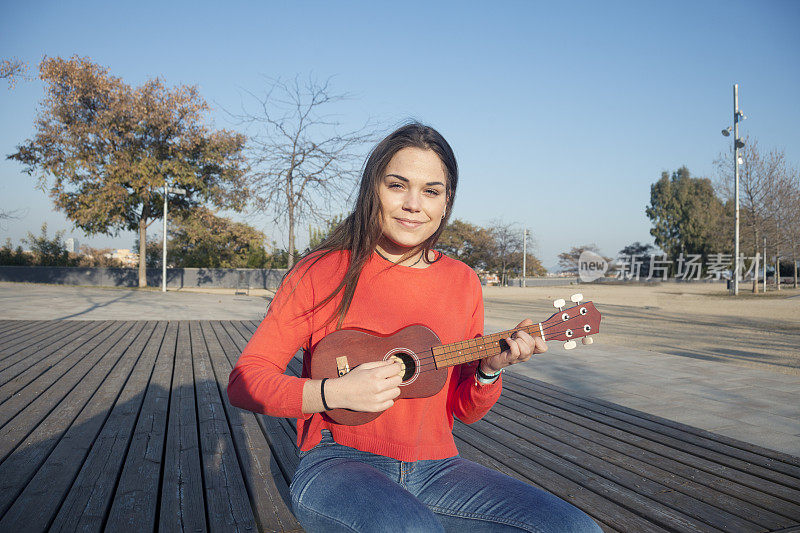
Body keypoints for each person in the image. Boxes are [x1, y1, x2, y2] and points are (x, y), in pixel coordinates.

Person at [228, 122, 602, 532]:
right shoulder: (321, 271)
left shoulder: (462, 282)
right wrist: (332, 392)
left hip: (439, 466)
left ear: (447, 202)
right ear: (374, 188)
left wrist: (488, 369)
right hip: (338, 462)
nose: (413, 204)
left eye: (430, 191)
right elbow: (246, 380)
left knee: (573, 527)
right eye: (397, 185)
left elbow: (463, 409)